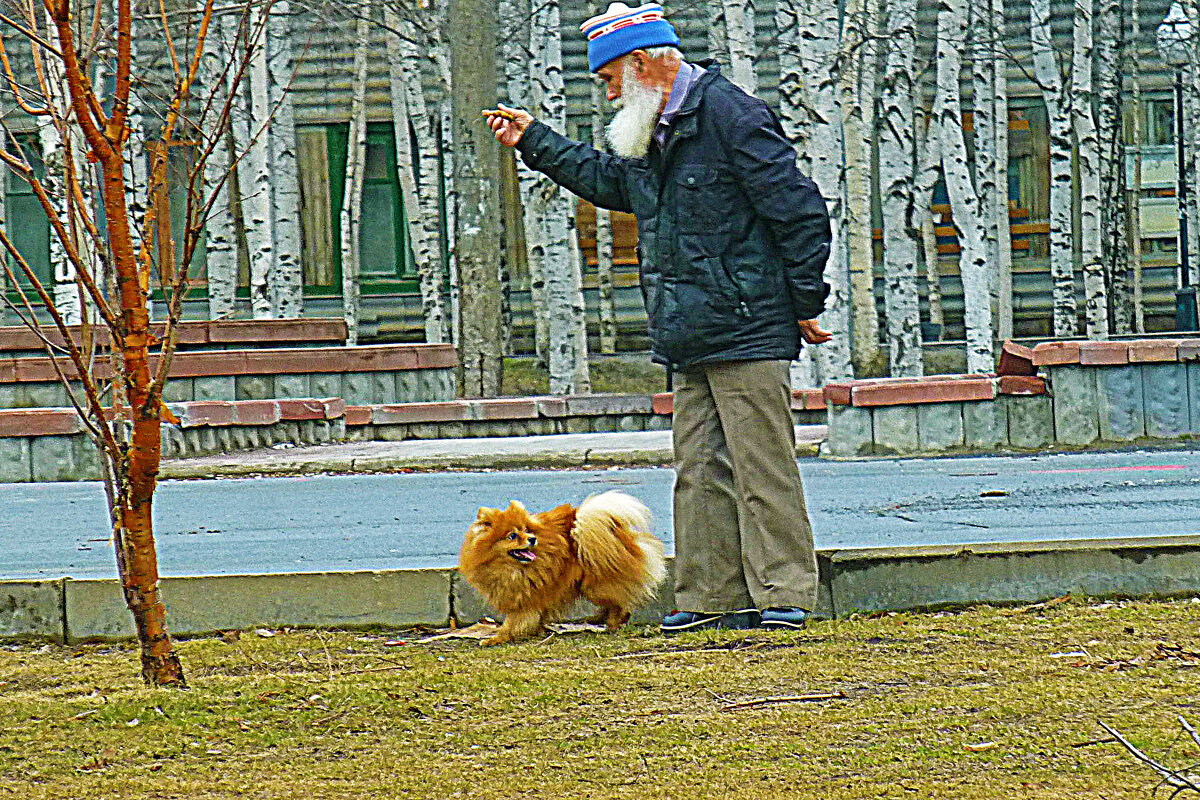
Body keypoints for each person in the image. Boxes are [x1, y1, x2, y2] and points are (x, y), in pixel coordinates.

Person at [485, 1, 832, 632]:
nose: (609, 92)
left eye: (611, 78)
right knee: (698, 473)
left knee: (763, 469)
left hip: (749, 327)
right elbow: (615, 183)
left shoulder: (732, 116)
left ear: (643, 63)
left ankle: (783, 594)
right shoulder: (654, 128)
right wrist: (534, 140)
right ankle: (708, 598)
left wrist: (803, 303)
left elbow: (801, 213)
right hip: (688, 330)